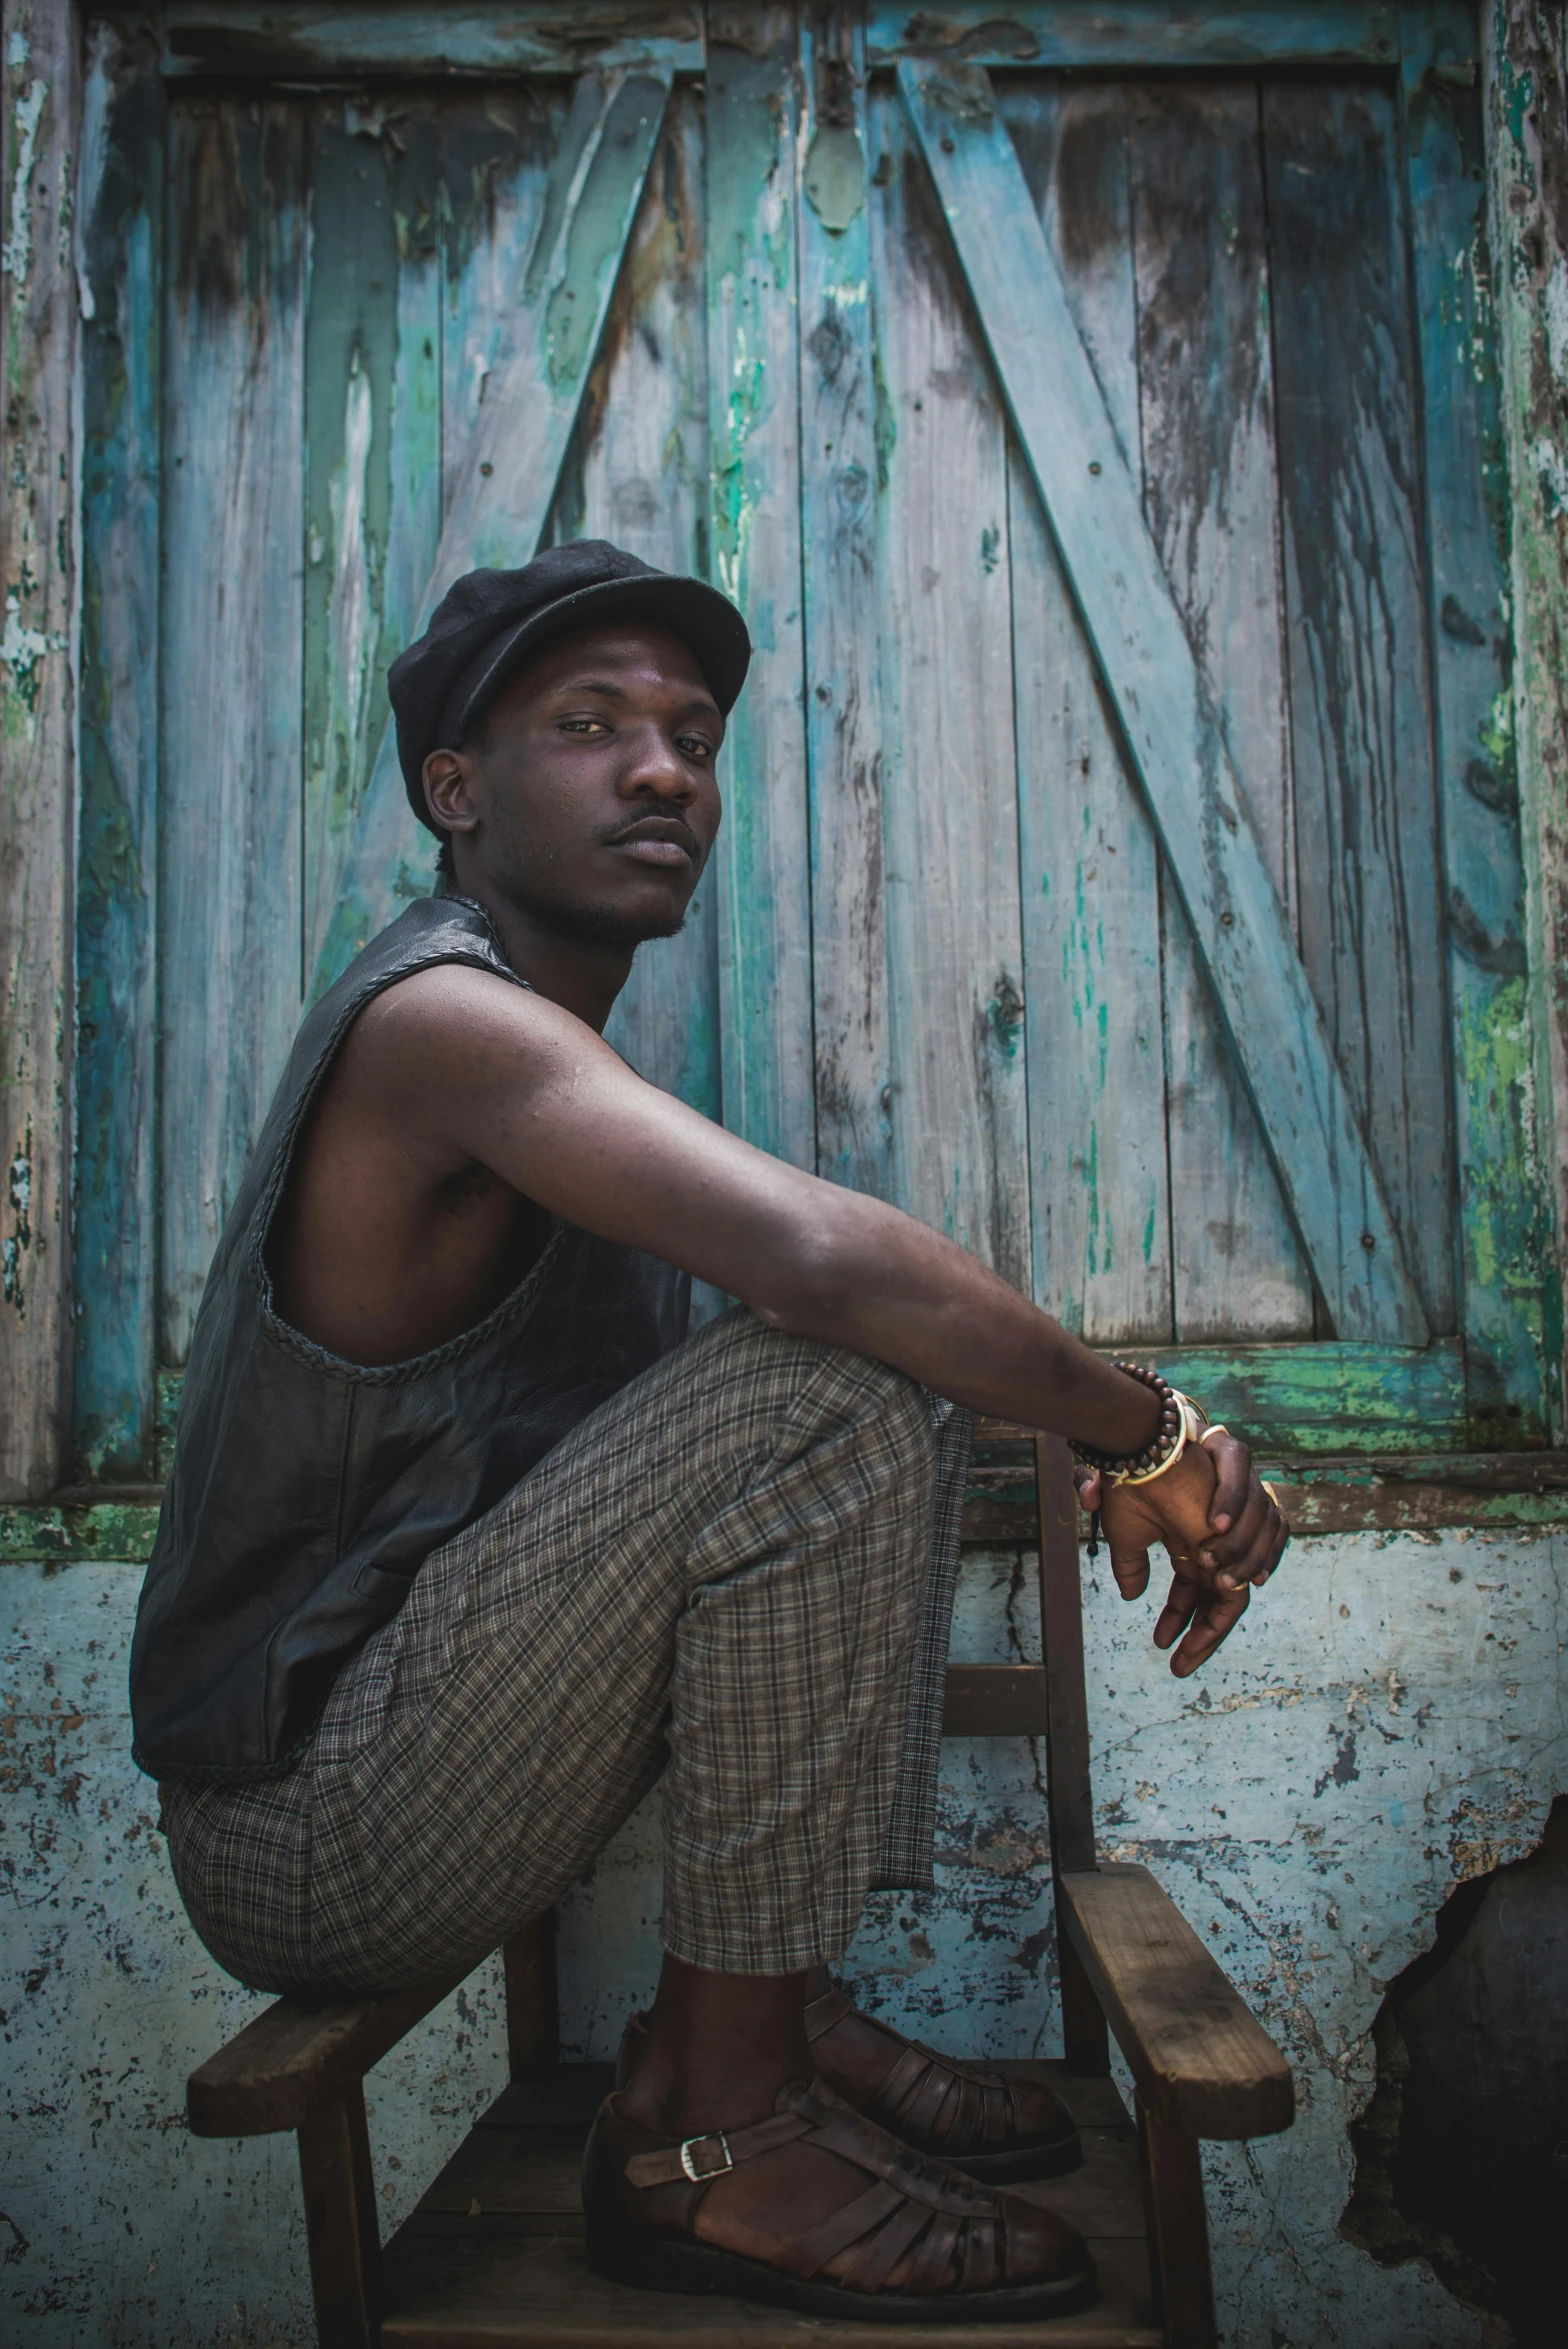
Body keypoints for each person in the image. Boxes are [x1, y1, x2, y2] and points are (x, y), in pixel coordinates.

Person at [131, 540, 1288, 2324]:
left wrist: (1060, 1420)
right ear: (456, 790)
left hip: (442, 1743)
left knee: (834, 1374)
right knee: (828, 1370)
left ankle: (762, 2017)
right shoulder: (441, 1027)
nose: (665, 767)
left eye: (692, 733)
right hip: (308, 1831)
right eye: (589, 725)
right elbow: (822, 1263)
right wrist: (1143, 1432)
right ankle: (717, 2133)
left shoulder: (569, 1103)